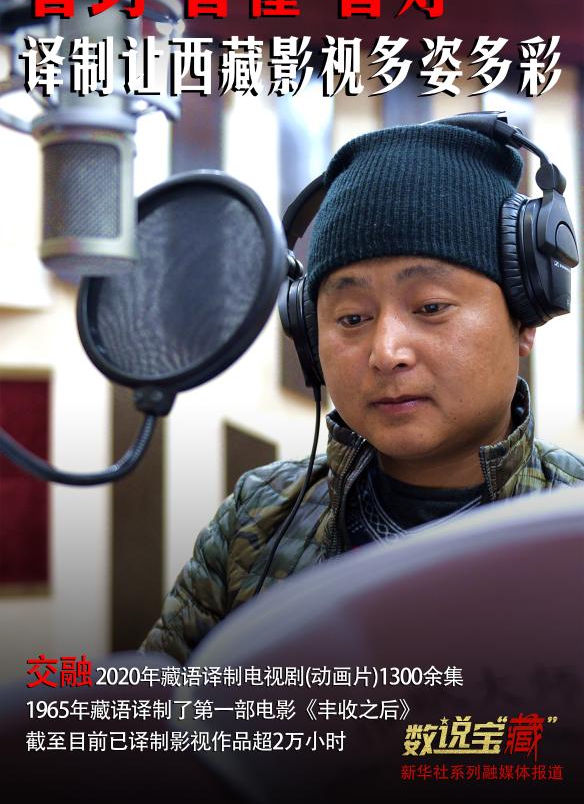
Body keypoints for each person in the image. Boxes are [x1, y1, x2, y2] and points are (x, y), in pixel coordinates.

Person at [141, 118, 584, 665]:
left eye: (430, 307)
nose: (386, 351)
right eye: (352, 318)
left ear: (525, 317)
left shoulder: (572, 520)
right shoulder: (257, 518)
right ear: (309, 333)